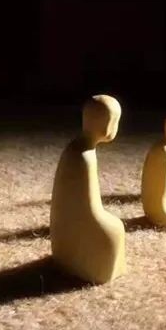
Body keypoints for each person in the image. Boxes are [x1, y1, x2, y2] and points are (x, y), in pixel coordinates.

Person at [49, 95, 126, 284]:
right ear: (108, 126)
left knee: (113, 226)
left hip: (64, 227)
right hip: (79, 223)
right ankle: (99, 271)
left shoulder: (75, 148)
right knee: (115, 229)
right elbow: (91, 208)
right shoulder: (84, 157)